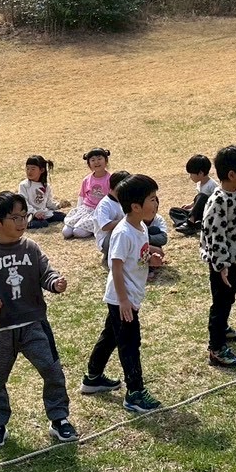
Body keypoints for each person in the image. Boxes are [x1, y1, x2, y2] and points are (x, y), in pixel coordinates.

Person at [0, 192, 77, 448]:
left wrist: (54, 283)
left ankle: (59, 419)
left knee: (52, 369)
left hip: (33, 325)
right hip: (0, 330)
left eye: (24, 216)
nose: (21, 222)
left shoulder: (31, 248)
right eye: (14, 217)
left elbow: (45, 272)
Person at [82, 173, 164, 413]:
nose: (156, 203)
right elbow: (115, 267)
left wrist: (151, 259)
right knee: (130, 343)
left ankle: (93, 377)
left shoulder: (141, 227)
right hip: (122, 299)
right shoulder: (123, 232)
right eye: (152, 199)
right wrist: (124, 300)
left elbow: (136, 256)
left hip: (128, 296)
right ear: (136, 206)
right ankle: (134, 393)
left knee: (111, 336)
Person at [200, 145, 236, 368]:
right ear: (232, 175)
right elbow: (215, 235)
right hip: (222, 263)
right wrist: (221, 265)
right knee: (221, 303)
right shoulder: (219, 201)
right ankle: (216, 348)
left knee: (229, 297)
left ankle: (223, 328)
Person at [63, 148, 113, 239]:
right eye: (93, 160)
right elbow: (81, 197)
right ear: (89, 164)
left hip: (99, 211)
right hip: (86, 210)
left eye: (99, 159)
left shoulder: (110, 179)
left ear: (106, 161)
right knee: (66, 232)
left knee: (78, 232)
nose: (96, 162)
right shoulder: (86, 179)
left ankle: (92, 229)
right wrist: (78, 210)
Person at [170, 154, 216, 236]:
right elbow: (198, 200)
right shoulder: (199, 184)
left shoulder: (212, 185)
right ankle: (192, 225)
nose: (190, 176)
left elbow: (215, 201)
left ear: (200, 173)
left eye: (191, 174)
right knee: (173, 211)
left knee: (202, 196)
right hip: (197, 213)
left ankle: (190, 222)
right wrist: (191, 205)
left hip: (208, 213)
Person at [19, 155, 66, 229]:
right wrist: (35, 213)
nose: (29, 171)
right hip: (30, 214)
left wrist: (58, 205)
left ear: (42, 170)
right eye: (27, 168)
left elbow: (48, 203)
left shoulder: (46, 186)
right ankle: (27, 224)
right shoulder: (24, 185)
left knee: (62, 216)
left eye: (33, 169)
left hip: (43, 213)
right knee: (43, 223)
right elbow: (24, 203)